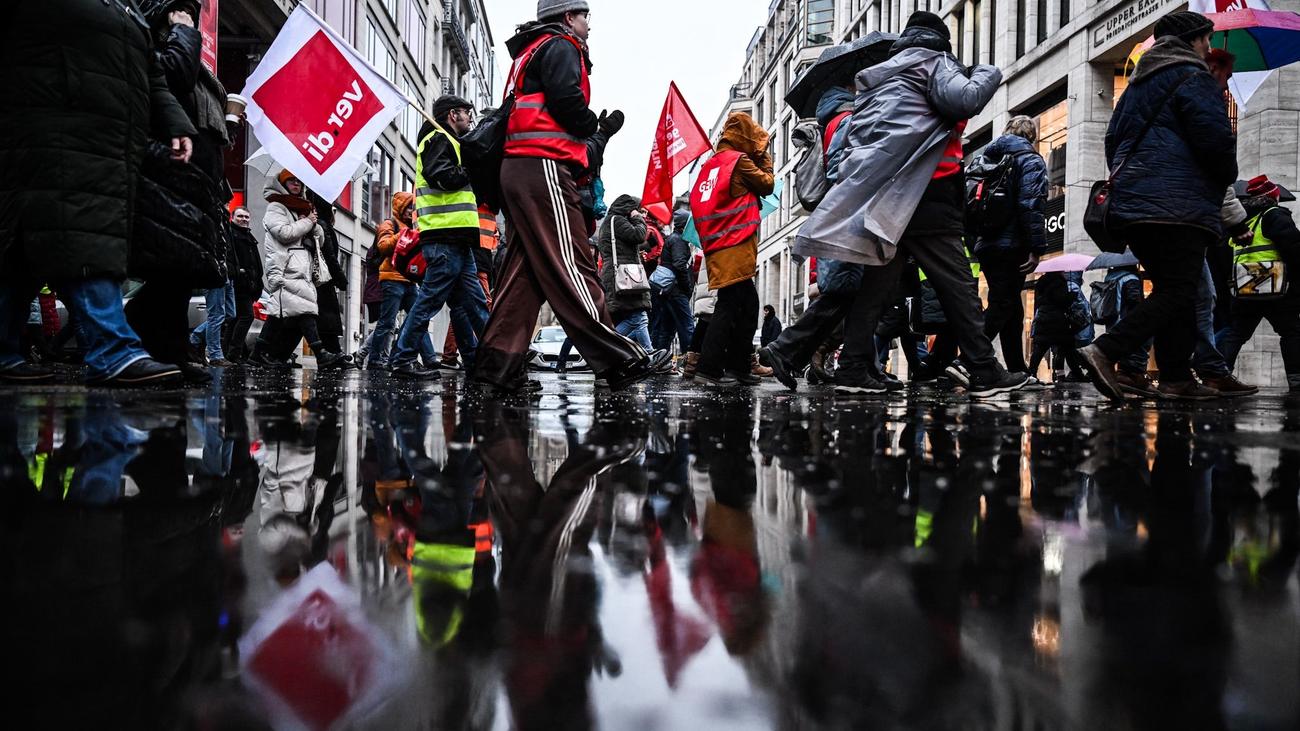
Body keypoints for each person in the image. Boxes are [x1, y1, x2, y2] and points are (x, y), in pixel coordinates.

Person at [793, 12, 1028, 399]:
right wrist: (985, 71)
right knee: (958, 285)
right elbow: (965, 99)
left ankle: (852, 367)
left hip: (891, 196)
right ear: (940, 40)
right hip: (930, 191)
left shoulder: (878, 78)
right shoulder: (933, 62)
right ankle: (984, 370)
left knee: (875, 288)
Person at [475, 1, 669, 392]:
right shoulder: (561, 44)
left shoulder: (530, 50)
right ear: (568, 17)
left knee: (523, 274)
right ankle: (618, 359)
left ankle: (495, 367)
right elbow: (568, 104)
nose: (588, 26)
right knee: (572, 262)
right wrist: (592, 125)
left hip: (519, 169)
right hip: (543, 164)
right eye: (585, 17)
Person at [0, 0, 195, 387]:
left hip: (108, 144)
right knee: (85, 241)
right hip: (51, 131)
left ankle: (5, 351)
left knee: (23, 253)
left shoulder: (126, 8)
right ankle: (112, 350)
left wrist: (175, 122)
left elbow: (151, 74)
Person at [1076, 10, 1238, 402]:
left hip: (1135, 205)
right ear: (1192, 40)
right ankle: (1106, 350)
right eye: (1206, 40)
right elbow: (1215, 143)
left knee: (1174, 290)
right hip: (1176, 204)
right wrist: (1225, 174)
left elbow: (1112, 143)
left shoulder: (1137, 85)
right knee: (1180, 289)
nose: (1209, 48)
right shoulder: (1194, 77)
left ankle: (1176, 378)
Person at [127, 0, 232, 383]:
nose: (191, 17)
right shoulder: (157, 43)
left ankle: (169, 350)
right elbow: (173, 79)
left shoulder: (183, 51)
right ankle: (153, 344)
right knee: (172, 269)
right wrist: (184, 31)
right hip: (169, 175)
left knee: (182, 272)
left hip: (195, 181)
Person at [389, 95, 490, 380]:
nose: (470, 118)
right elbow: (442, 176)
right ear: (452, 114)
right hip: (445, 237)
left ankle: (492, 360)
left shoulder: (448, 141)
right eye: (466, 113)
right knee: (430, 302)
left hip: (456, 238)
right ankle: (403, 360)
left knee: (473, 303)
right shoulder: (437, 139)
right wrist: (472, 168)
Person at [690, 112, 775, 386]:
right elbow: (767, 184)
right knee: (730, 305)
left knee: (747, 304)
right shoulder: (739, 161)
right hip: (735, 241)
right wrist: (763, 155)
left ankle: (737, 367)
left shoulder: (711, 164)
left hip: (718, 243)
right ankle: (709, 369)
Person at [973, 115, 1048, 378]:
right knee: (1002, 304)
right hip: (1012, 244)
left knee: (1012, 307)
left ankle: (1018, 369)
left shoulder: (985, 158)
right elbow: (1031, 205)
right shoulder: (1030, 160)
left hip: (986, 244)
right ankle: (967, 360)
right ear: (1031, 136)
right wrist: (1036, 248)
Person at [1217, 174, 1300, 396]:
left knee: (1236, 334)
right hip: (1277, 288)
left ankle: (1219, 375)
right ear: (1273, 197)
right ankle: (1296, 381)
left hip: (1246, 288)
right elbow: (1294, 250)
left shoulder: (1242, 223)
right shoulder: (1275, 215)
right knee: (1291, 332)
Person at [256, 170, 345, 369]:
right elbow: (284, 233)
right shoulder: (276, 207)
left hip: (300, 268)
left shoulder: (301, 208)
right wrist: (307, 222)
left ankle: (258, 354)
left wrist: (315, 226)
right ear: (282, 184)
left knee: (281, 313)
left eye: (299, 181)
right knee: (304, 310)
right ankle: (320, 354)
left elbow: (319, 240)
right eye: (291, 181)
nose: (296, 184)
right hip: (285, 266)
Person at [368, 192, 435, 370]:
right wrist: (403, 235)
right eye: (409, 207)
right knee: (387, 322)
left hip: (409, 281)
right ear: (400, 207)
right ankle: (374, 360)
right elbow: (383, 246)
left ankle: (429, 358)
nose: (412, 211)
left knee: (419, 319)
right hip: (391, 279)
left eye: (413, 207)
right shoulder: (389, 224)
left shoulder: (414, 226)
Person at [596, 195, 654, 350]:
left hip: (619, 275)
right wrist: (637, 218)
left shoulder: (611, 222)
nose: (641, 213)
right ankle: (648, 354)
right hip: (624, 277)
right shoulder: (617, 220)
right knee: (638, 318)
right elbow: (638, 235)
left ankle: (611, 349)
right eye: (638, 209)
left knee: (635, 318)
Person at [650, 209, 697, 354]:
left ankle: (660, 357)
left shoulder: (673, 239)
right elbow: (679, 265)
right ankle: (690, 358)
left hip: (669, 291)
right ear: (685, 225)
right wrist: (687, 287)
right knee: (687, 325)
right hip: (676, 290)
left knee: (667, 327)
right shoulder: (679, 240)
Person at [1028, 273, 1090, 378]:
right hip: (1057, 321)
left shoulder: (1042, 281)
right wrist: (1070, 296)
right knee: (1068, 348)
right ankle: (1077, 374)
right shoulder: (1059, 282)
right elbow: (1061, 301)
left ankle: (1031, 373)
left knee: (1040, 349)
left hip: (1043, 318)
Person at [225, 207, 264, 363]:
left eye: (246, 217)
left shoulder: (247, 235)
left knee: (235, 319)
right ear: (233, 217)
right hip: (239, 284)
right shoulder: (231, 234)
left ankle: (230, 352)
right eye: (240, 216)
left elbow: (255, 262)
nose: (244, 219)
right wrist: (239, 273)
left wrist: (258, 282)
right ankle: (234, 353)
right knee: (246, 316)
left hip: (248, 285)